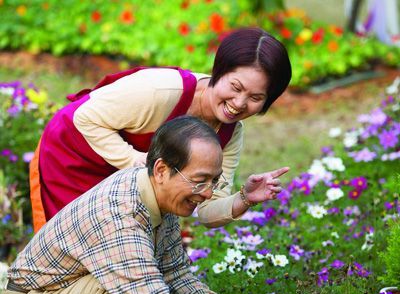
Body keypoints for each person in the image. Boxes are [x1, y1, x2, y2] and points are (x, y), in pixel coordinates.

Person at [1, 116, 289, 294]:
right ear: (162, 169)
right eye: (200, 181)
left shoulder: (156, 194)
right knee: (113, 292)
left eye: (214, 182)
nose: (208, 193)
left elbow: (175, 275)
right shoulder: (118, 215)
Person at [30, 27, 292, 233]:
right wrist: (139, 165)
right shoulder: (161, 91)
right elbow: (84, 117)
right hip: (74, 153)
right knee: (69, 246)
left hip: (127, 176)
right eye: (235, 87)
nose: (239, 104)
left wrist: (245, 198)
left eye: (256, 97)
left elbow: (208, 209)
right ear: (219, 71)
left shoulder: (229, 135)